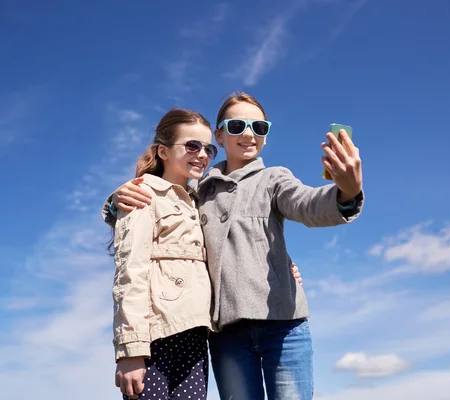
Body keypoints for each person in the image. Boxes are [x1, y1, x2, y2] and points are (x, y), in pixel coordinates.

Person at [103, 92, 364, 400]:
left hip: (283, 327)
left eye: (259, 127)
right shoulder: (196, 190)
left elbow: (308, 204)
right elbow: (156, 213)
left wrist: (347, 191)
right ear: (220, 134)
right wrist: (114, 202)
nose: (249, 134)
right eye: (238, 125)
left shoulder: (275, 179)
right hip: (226, 336)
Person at [111, 108, 217, 400]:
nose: (202, 154)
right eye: (192, 145)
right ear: (163, 151)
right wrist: (131, 350)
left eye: (209, 148)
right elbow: (130, 272)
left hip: (195, 334)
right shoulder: (144, 193)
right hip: (155, 336)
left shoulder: (201, 201)